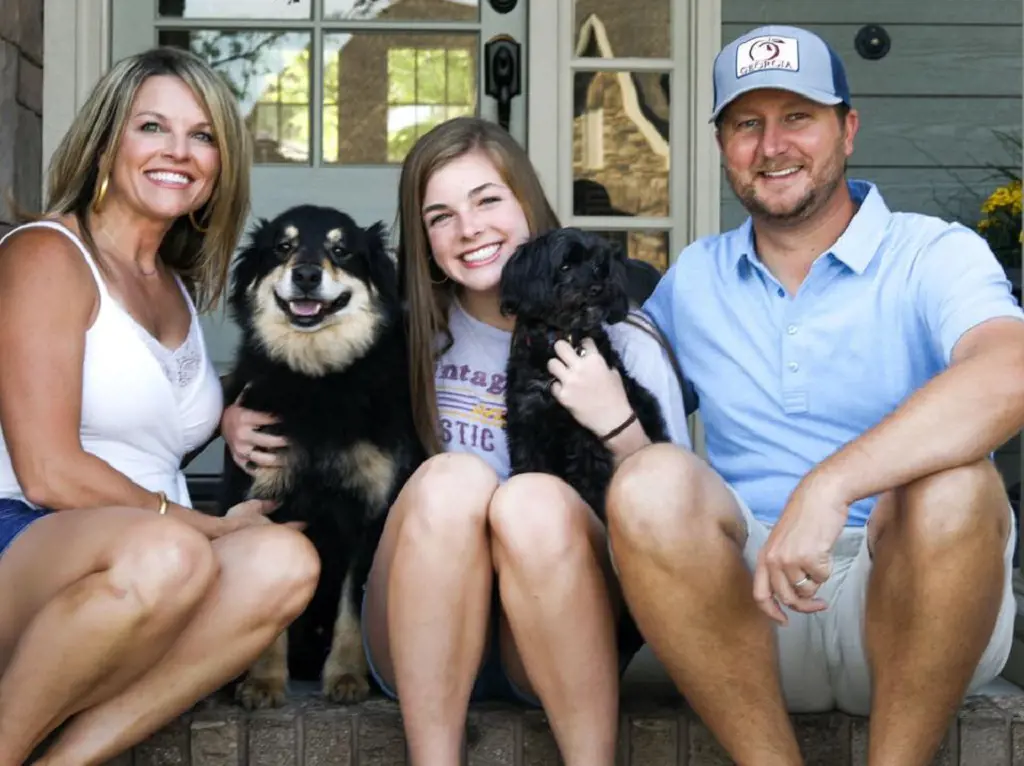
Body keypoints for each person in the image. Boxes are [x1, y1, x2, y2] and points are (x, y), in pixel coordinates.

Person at [605, 24, 1024, 766]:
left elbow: (1010, 370)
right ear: (721, 143)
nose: (772, 146)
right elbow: (629, 425)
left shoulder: (933, 253)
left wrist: (831, 485)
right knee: (648, 485)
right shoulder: (694, 280)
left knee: (957, 483)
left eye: (798, 117)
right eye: (747, 124)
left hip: (917, 603)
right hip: (746, 619)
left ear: (848, 129)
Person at [221, 115, 691, 766]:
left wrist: (619, 422)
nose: (468, 229)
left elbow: (673, 522)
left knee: (533, 502)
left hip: (556, 635)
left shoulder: (621, 340)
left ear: (527, 201)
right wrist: (234, 417)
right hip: (423, 629)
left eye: (488, 200)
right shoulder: (405, 337)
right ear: (424, 237)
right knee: (453, 480)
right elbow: (294, 375)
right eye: (440, 215)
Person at [0, 47, 320, 765]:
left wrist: (221, 422)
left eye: (203, 135)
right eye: (153, 127)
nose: (179, 151)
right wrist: (206, 527)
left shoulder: (169, 283)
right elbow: (50, 470)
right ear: (107, 141)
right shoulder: (46, 257)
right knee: (171, 554)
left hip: (145, 565)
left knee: (287, 562)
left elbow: (139, 422)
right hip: (23, 533)